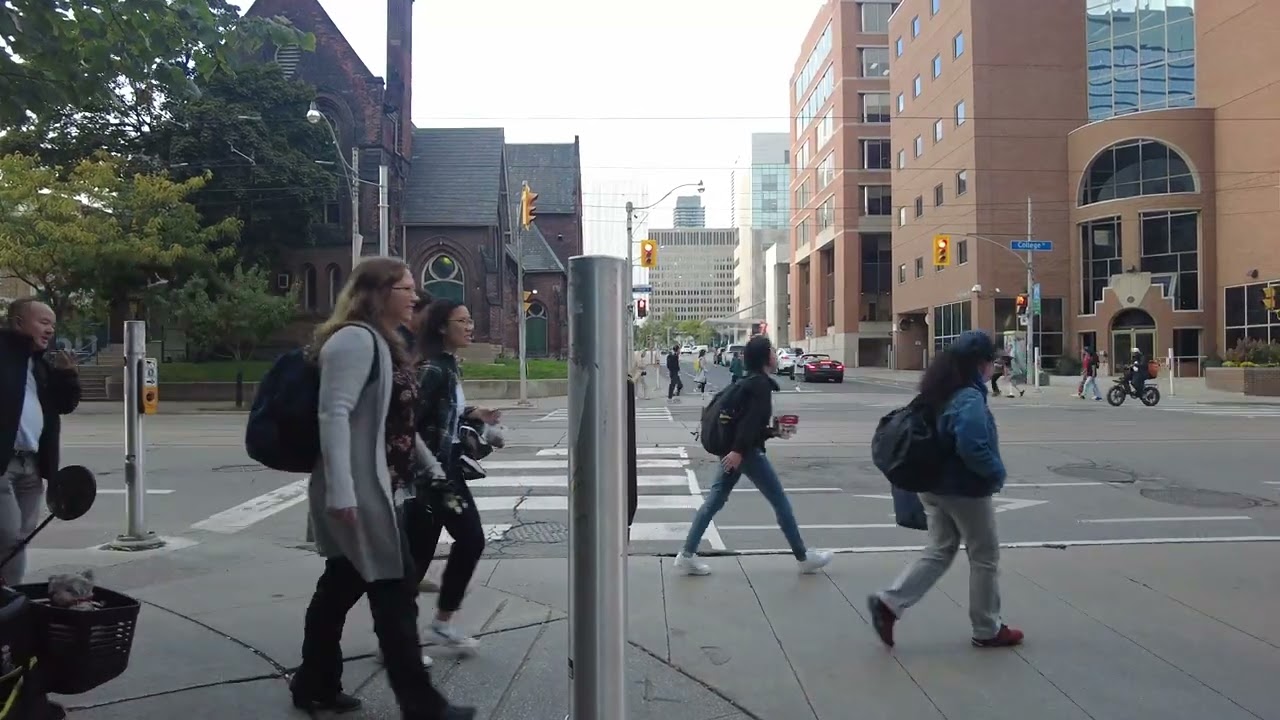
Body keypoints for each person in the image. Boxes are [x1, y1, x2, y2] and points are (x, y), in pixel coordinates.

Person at [291, 257, 473, 720]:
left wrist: (431, 469)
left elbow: (397, 426)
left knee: (341, 587)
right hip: (358, 491)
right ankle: (422, 704)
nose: (415, 295)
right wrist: (341, 492)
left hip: (379, 487)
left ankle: (315, 683)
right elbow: (333, 414)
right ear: (377, 293)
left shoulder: (385, 342)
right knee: (394, 595)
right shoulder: (353, 340)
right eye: (406, 287)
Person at [865, 330, 1023, 650]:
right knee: (984, 556)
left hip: (932, 486)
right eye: (991, 361)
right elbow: (973, 445)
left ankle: (890, 602)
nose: (993, 367)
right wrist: (995, 474)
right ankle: (987, 628)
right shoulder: (968, 396)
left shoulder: (937, 390)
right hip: (963, 489)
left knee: (940, 549)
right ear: (980, 364)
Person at [675, 335, 833, 576]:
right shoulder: (760, 385)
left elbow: (749, 424)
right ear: (764, 357)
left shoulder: (747, 382)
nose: (775, 355)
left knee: (714, 501)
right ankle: (803, 557)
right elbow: (748, 425)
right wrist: (739, 452)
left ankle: (686, 554)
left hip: (735, 451)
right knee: (780, 502)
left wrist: (772, 432)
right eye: (771, 351)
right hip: (746, 454)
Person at [408, 299, 502, 654]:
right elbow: (407, 421)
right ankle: (396, 640)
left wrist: (475, 413)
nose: (470, 326)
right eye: (462, 321)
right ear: (441, 327)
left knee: (471, 539)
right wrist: (423, 470)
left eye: (470, 319)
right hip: (427, 478)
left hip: (446, 475)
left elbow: (444, 411)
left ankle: (442, 622)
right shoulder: (431, 369)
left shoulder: (448, 366)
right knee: (416, 559)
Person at [0, 299, 80, 587]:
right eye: (43, 322)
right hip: (3, 465)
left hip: (30, 465)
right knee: (8, 535)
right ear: (19, 322)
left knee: (20, 538)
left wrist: (66, 375)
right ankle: (9, 599)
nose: (50, 330)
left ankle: (9, 598)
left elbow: (63, 405)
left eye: (53, 325)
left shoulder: (40, 365)